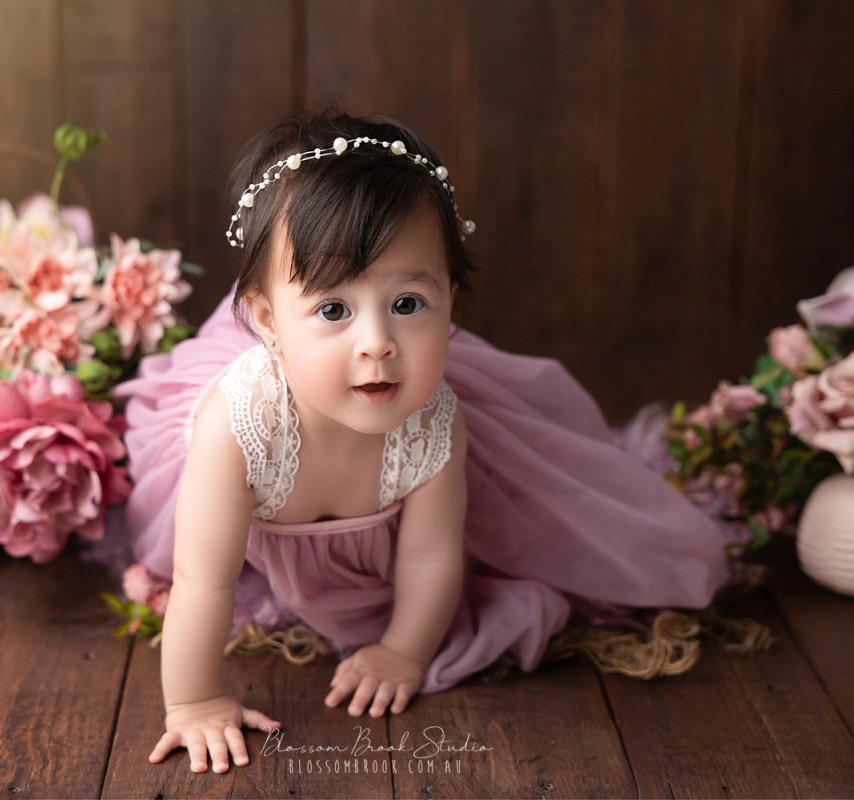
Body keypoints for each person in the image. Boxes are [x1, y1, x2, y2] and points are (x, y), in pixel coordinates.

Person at [117, 110, 732, 774]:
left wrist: (404, 651)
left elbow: (432, 559)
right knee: (190, 562)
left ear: (450, 301)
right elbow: (204, 584)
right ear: (268, 321)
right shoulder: (235, 429)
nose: (377, 342)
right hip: (232, 507)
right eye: (333, 310)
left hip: (383, 544)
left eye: (408, 304)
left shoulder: (436, 424)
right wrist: (196, 700)